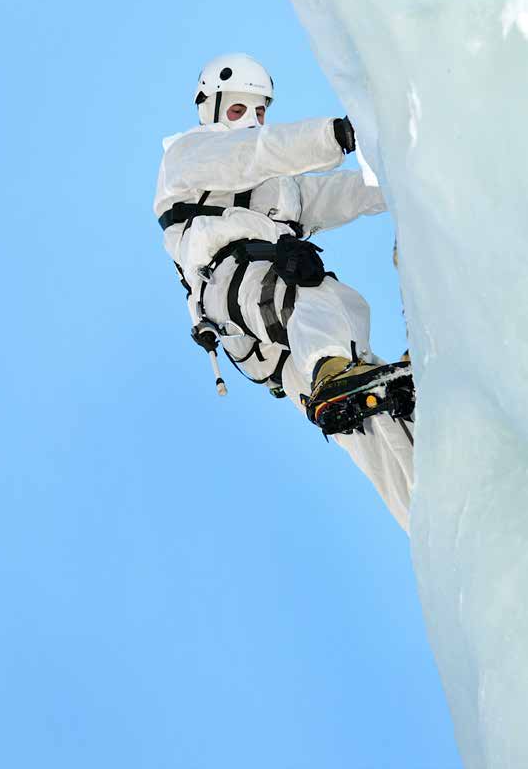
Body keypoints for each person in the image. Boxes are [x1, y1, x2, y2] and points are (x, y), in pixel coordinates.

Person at [153, 53, 413, 531]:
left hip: (277, 349)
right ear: (210, 108)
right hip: (230, 279)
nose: (251, 122)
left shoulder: (279, 189)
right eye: (238, 111)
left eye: (259, 112)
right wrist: (340, 135)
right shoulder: (190, 157)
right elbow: (254, 154)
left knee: (359, 410)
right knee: (310, 294)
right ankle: (330, 368)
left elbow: (340, 195)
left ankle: (422, 497)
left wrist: (404, 173)